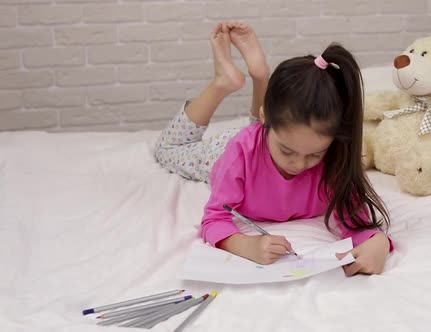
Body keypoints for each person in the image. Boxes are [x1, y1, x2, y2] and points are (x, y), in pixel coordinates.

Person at [154, 22, 393, 276]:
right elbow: (214, 220)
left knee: (271, 129)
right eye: (288, 152)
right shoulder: (237, 154)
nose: (299, 165)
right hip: (225, 150)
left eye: (314, 155)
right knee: (167, 149)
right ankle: (223, 82)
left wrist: (378, 243)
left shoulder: (335, 159)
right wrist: (246, 245)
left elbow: (359, 225)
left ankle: (260, 76)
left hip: (268, 130)